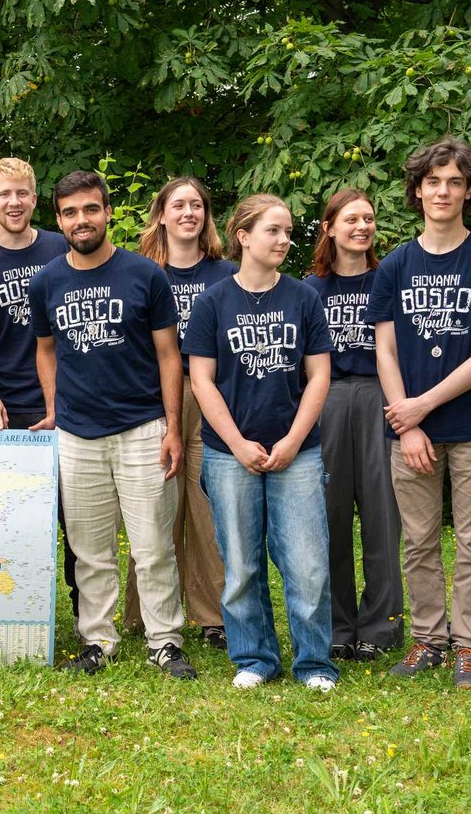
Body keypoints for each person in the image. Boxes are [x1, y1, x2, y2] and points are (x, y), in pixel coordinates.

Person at [30, 170, 196, 680]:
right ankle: (98, 641)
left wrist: (172, 426)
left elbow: (169, 355)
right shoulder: (47, 281)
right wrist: (56, 408)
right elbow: (45, 351)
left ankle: (164, 641)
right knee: (89, 550)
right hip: (77, 434)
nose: (82, 220)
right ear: (59, 220)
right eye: (71, 212)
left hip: (142, 427)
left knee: (152, 547)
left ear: (106, 212)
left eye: (91, 209)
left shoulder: (145, 276)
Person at [368, 137, 471, 689]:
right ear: (417, 190)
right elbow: (384, 349)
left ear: (469, 190)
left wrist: (420, 407)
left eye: (455, 181)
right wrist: (408, 426)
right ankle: (428, 639)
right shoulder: (396, 266)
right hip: (411, 434)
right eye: (433, 181)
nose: (443, 191)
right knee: (420, 540)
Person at [186, 193, 337, 691]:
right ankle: (255, 659)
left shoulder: (302, 297)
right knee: (241, 563)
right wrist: (236, 443)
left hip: (298, 451)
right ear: (243, 236)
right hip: (230, 454)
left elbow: (318, 375)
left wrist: (294, 439)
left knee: (308, 562)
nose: (284, 239)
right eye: (273, 230)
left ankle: (315, 664)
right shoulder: (212, 302)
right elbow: (201, 380)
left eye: (288, 230)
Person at [0, 156, 78, 616]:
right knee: (1, 518)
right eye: (3, 194)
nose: (13, 202)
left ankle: (85, 614)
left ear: (33, 197)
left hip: (65, 404)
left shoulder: (57, 248)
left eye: (21, 193)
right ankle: (2, 610)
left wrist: (63, 400)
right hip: (3, 408)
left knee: (75, 520)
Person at [126, 176, 235, 649]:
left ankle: (212, 617)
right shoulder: (141, 272)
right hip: (156, 396)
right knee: (154, 508)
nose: (188, 212)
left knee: (208, 509)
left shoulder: (226, 273)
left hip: (212, 394)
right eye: (178, 205)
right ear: (162, 215)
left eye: (197, 205)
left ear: (206, 217)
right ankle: (142, 614)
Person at [304, 189, 404, 661]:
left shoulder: (389, 280)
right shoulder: (308, 289)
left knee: (383, 517)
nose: (361, 226)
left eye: (368, 218)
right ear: (329, 227)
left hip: (379, 398)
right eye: (350, 219)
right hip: (325, 400)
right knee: (331, 516)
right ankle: (339, 625)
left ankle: (380, 627)